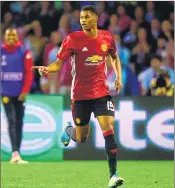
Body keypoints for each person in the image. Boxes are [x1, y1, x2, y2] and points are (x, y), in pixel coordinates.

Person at [33, 5, 124, 188]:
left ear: (96, 19)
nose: (83, 20)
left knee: (108, 128)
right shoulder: (73, 39)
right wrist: (47, 68)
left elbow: (114, 57)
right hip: (80, 96)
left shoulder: (106, 37)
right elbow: (58, 64)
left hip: (101, 93)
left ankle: (113, 175)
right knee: (81, 138)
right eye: (81, 17)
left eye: (87, 17)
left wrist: (118, 78)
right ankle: (69, 131)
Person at [1, 28, 33, 164]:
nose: (11, 37)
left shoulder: (24, 52)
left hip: (20, 94)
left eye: (13, 35)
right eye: (9, 35)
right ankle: (14, 153)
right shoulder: (1, 51)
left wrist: (24, 91)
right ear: (5, 37)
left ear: (17, 37)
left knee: (19, 122)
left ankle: (17, 153)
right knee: (11, 120)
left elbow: (29, 73)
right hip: (6, 93)